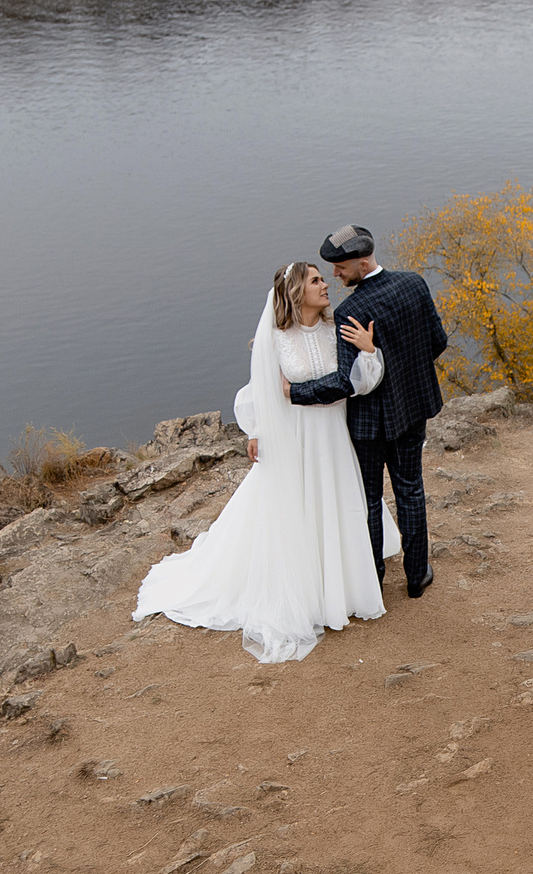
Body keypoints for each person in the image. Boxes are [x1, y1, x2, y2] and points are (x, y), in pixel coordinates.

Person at [130, 261, 395, 663]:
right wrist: (255, 430)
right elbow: (258, 389)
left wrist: (369, 351)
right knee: (295, 508)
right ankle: (305, 592)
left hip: (333, 436)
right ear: (295, 291)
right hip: (295, 438)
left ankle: (342, 586)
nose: (326, 285)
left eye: (325, 278)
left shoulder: (335, 330)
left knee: (334, 502)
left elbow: (358, 383)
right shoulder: (275, 338)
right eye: (316, 280)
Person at [289, 224, 450, 599]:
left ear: (362, 263)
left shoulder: (351, 311)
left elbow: (346, 382)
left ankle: (372, 580)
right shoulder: (415, 283)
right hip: (413, 409)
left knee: (369, 500)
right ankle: (416, 575)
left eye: (341, 267)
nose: (335, 274)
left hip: (369, 425)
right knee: (411, 491)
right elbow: (438, 342)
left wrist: (295, 392)